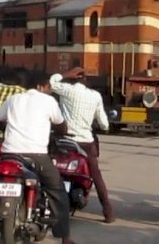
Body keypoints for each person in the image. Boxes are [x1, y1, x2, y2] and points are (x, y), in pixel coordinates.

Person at [0, 72, 76, 244]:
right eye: (49, 88)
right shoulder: (48, 101)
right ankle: (65, 237)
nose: (50, 91)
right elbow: (62, 127)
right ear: (40, 86)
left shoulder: (13, 99)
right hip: (36, 155)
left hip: (10, 154)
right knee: (57, 190)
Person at [49, 67, 115, 223]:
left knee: (50, 168)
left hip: (65, 140)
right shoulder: (95, 96)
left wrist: (65, 74)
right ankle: (108, 211)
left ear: (72, 79)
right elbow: (104, 124)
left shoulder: (67, 90)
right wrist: (103, 126)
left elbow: (51, 82)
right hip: (86, 142)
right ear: (85, 80)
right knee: (96, 174)